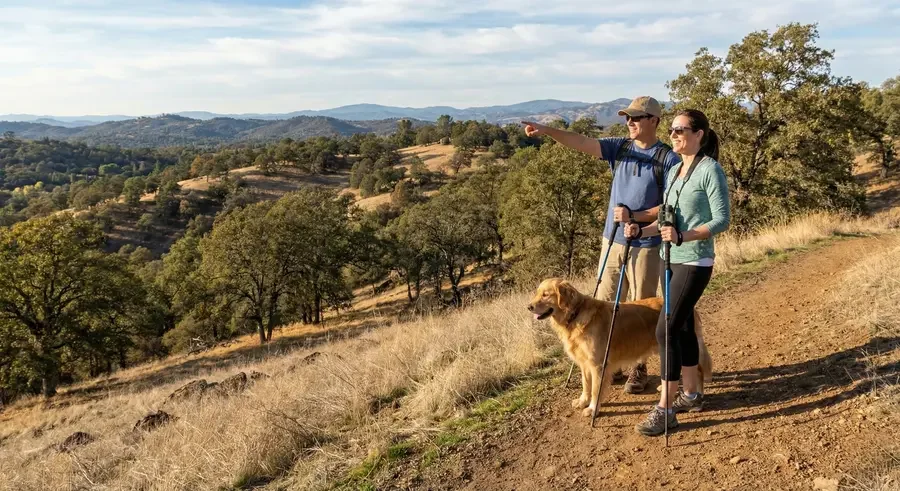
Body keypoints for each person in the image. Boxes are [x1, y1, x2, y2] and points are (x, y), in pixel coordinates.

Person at [523, 96, 680, 394]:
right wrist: (547, 130)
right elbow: (581, 141)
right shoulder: (619, 148)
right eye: (628, 118)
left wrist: (636, 216)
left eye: (637, 117)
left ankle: (638, 367)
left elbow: (671, 206)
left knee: (640, 304)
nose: (630, 122)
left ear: (654, 121)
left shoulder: (667, 159)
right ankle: (607, 360)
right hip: (613, 239)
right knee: (601, 302)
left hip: (647, 242)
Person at [623, 109, 731, 436]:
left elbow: (721, 220)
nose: (674, 135)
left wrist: (687, 235)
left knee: (664, 330)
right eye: (671, 130)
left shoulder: (710, 171)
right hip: (668, 258)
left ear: (699, 133)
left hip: (695, 261)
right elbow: (667, 220)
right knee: (681, 329)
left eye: (681, 129)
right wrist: (641, 231)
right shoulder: (674, 171)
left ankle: (666, 408)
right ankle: (693, 393)